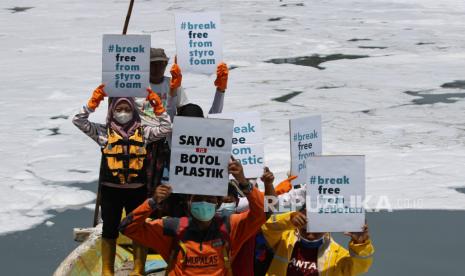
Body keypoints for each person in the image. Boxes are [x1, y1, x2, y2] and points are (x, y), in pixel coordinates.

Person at [72, 85, 172, 276]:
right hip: (111, 191)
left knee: (139, 228)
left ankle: (138, 269)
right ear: (112, 111)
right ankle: (107, 270)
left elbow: (166, 127)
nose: (123, 113)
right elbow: (78, 120)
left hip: (137, 190)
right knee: (110, 229)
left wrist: (156, 104)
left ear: (134, 111)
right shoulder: (103, 133)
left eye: (127, 109)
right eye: (119, 109)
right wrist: (94, 102)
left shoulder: (144, 132)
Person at [119, 159, 266, 275]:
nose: (204, 203)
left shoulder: (230, 226)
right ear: (188, 202)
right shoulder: (171, 228)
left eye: (210, 199)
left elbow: (266, 210)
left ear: (218, 203)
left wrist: (244, 183)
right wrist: (152, 202)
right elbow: (127, 227)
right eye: (198, 198)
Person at [262, 210, 374, 276]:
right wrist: (289, 218)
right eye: (306, 221)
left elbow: (360, 267)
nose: (311, 229)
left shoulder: (338, 255)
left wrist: (360, 244)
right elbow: (268, 227)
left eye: (318, 224)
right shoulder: (284, 239)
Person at [135, 48, 229, 123]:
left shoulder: (172, 83)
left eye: (161, 64)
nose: (158, 68)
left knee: (192, 110)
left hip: (167, 128)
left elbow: (182, 111)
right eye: (153, 64)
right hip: (145, 130)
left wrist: (220, 90)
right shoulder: (137, 85)